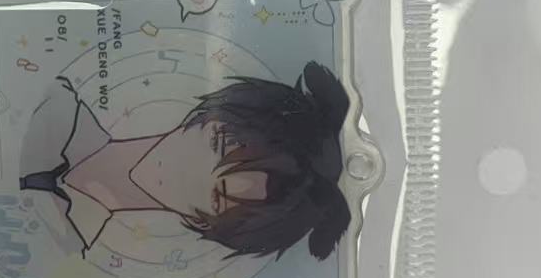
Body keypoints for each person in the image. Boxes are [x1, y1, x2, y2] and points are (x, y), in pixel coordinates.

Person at [20, 62, 352, 262]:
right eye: (218, 145)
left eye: (217, 197)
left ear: (206, 223)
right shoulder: (55, 102)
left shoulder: (66, 247)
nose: (192, 171)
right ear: (210, 116)